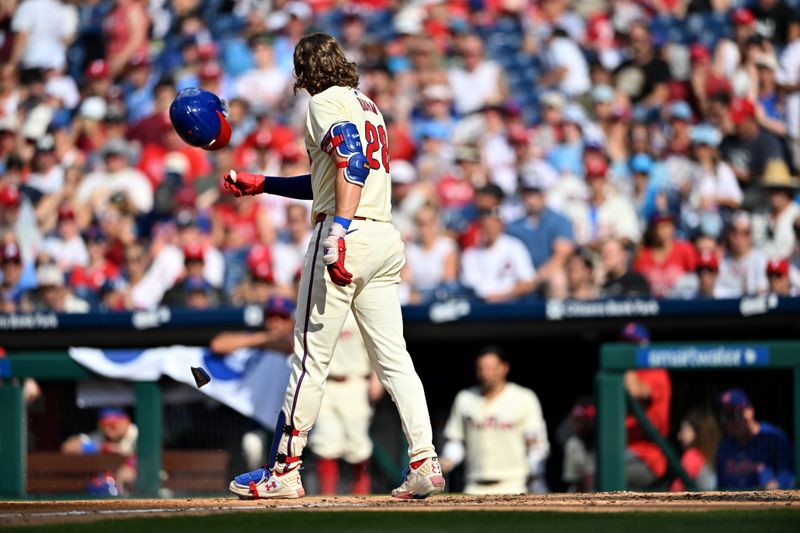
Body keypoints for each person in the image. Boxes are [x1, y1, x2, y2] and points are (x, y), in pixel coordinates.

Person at [221, 33, 444, 499]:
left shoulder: (322, 102)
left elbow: (350, 162)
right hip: (383, 234)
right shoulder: (367, 105)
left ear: (304, 71)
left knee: (309, 358)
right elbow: (332, 175)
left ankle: (284, 469)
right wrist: (264, 184)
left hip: (346, 232)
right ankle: (425, 461)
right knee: (395, 359)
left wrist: (339, 232)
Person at [440, 347, 549, 495]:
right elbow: (456, 442)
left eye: (492, 368)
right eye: (481, 369)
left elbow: (536, 444)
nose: (486, 374)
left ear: (504, 368)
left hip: (514, 486)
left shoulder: (524, 398)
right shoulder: (464, 398)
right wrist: (445, 462)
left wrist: (536, 477)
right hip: (473, 487)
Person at [309, 312, 384, 495]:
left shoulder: (358, 308)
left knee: (357, 445)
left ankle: (361, 496)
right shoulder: (315, 308)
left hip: (355, 381)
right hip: (326, 383)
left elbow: (376, 345)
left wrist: (377, 377)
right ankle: (326, 498)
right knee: (326, 442)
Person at [506, 173, 575, 298]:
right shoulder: (513, 226)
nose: (529, 199)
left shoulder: (558, 220)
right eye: (526, 194)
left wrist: (536, 278)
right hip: (520, 275)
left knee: (557, 278)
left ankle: (557, 314)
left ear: (543, 195)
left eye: (534, 194)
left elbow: (561, 256)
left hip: (544, 275)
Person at [620, 323, 672, 489]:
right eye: (625, 343)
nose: (627, 348)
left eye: (633, 344)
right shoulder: (629, 373)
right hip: (627, 449)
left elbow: (636, 391)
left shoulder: (655, 370)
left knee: (609, 471)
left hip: (648, 455)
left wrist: (625, 365)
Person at [716, 389, 795, 490]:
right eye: (725, 417)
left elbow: (789, 477)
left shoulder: (773, 438)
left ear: (750, 411)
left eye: (736, 414)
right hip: (733, 504)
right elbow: (720, 487)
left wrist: (776, 487)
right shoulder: (724, 446)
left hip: (768, 503)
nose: (732, 421)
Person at [461, 207, 537, 303]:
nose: (490, 229)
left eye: (493, 224)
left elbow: (528, 282)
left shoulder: (514, 247)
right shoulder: (470, 255)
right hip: (480, 307)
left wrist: (502, 297)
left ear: (501, 225)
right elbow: (470, 286)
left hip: (511, 306)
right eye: (486, 225)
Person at [670, 410, 721, 492]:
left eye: (684, 430)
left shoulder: (692, 456)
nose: (679, 436)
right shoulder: (715, 454)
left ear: (698, 432)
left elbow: (676, 490)